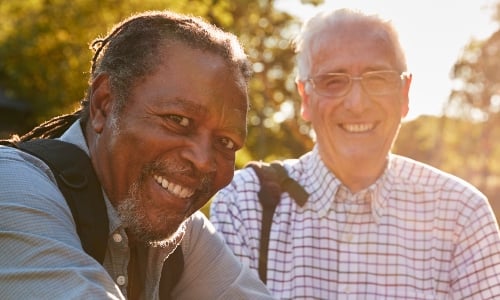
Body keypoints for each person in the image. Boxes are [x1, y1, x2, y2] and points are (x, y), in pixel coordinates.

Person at [210, 8, 500, 299]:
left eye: (377, 78)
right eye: (334, 81)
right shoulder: (245, 206)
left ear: (405, 93)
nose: (357, 103)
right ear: (306, 97)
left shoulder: (463, 215)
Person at [0, 10, 275, 299]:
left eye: (225, 142)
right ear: (104, 104)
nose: (204, 161)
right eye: (178, 120)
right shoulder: (13, 187)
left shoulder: (183, 236)